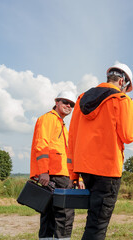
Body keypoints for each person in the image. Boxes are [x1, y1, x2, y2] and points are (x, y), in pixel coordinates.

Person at [68, 61, 133, 239]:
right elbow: (128, 135)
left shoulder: (81, 99)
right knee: (98, 225)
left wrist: (73, 175)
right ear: (123, 82)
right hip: (107, 170)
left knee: (93, 222)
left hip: (85, 168)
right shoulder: (122, 100)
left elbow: (72, 138)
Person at [30, 90, 77, 240]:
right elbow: (41, 146)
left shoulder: (62, 126)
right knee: (64, 214)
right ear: (57, 102)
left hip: (59, 174)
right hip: (55, 174)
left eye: (72, 104)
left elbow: (69, 156)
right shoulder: (48, 119)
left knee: (48, 214)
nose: (68, 106)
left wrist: (76, 177)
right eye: (65, 102)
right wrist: (43, 171)